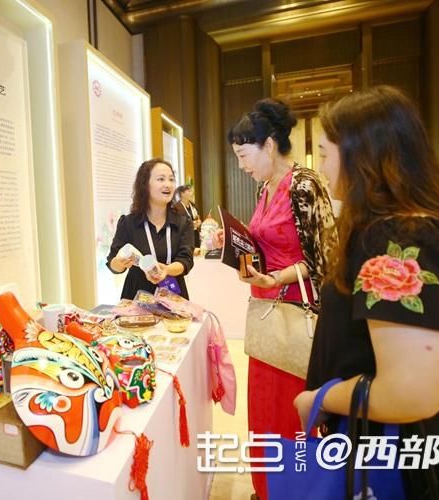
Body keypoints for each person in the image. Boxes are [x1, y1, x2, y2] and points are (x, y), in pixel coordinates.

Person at [295, 86, 439, 498]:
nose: (321, 168)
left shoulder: (399, 239)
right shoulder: (409, 228)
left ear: (360, 155)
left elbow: (410, 390)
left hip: (400, 464)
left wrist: (320, 398)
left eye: (324, 153)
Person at [214, 98, 336, 500]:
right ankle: (267, 490)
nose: (241, 165)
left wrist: (277, 276)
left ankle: (295, 491)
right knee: (265, 412)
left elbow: (325, 260)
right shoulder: (265, 187)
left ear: (268, 145)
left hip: (295, 317)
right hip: (266, 314)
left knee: (291, 415)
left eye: (243, 155)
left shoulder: (304, 185)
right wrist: (235, 246)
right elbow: (265, 246)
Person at [107, 158, 195, 300]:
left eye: (171, 179)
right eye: (161, 179)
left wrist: (166, 270)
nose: (168, 184)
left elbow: (186, 260)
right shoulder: (128, 223)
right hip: (136, 296)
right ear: (145, 184)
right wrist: (120, 262)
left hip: (172, 294)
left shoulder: (183, 223)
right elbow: (113, 264)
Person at [173, 184, 202, 249]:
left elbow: (197, 217)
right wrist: (191, 224)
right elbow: (176, 223)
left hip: (195, 236)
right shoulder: (176, 207)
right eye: (189, 191)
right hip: (184, 237)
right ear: (182, 194)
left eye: (192, 191)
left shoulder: (193, 206)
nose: (192, 193)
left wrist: (199, 222)